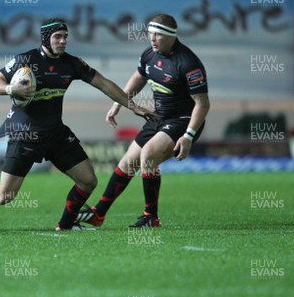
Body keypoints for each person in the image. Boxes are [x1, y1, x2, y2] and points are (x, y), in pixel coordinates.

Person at [0, 18, 157, 231]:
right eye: (57, 37)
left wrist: (132, 106)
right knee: (6, 196)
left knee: (88, 181)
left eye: (65, 37)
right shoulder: (26, 59)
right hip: (24, 135)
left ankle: (65, 225)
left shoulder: (72, 63)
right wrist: (11, 90)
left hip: (55, 134)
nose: (62, 41)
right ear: (45, 39)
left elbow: (103, 83)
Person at [76, 14, 210, 227]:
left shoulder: (188, 63)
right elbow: (138, 78)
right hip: (159, 118)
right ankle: (98, 213)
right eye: (150, 34)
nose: (152, 39)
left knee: (148, 155)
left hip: (183, 121)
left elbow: (202, 104)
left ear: (171, 36)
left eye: (157, 34)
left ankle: (151, 217)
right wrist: (118, 104)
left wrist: (188, 136)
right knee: (128, 162)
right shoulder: (149, 55)